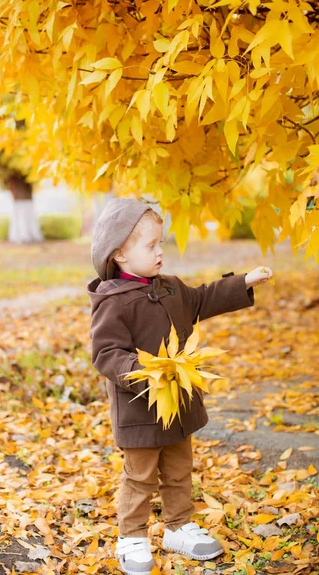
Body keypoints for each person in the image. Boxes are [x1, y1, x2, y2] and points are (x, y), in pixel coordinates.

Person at [87, 198, 273, 575]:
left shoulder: (170, 288)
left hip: (179, 402)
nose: (161, 252)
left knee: (178, 469)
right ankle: (133, 536)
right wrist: (141, 370)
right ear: (120, 254)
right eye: (151, 246)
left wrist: (243, 283)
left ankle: (178, 526)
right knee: (139, 475)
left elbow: (202, 298)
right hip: (141, 407)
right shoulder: (113, 302)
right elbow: (106, 351)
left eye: (161, 243)